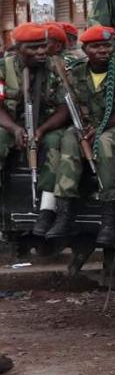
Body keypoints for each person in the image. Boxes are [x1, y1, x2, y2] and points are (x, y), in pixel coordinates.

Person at [47, 26, 115, 245]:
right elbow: (68, 104)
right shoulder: (75, 72)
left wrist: (100, 128)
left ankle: (109, 218)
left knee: (105, 143)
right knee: (69, 139)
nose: (103, 50)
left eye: (107, 45)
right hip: (86, 123)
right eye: (96, 46)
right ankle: (64, 212)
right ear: (85, 49)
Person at [0, 23, 68, 236]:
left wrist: (42, 130)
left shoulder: (55, 66)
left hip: (45, 127)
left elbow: (65, 108)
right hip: (10, 125)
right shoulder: (4, 68)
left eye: (43, 46)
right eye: (33, 48)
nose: (41, 52)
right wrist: (14, 129)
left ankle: (46, 210)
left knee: (55, 142)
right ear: (19, 49)